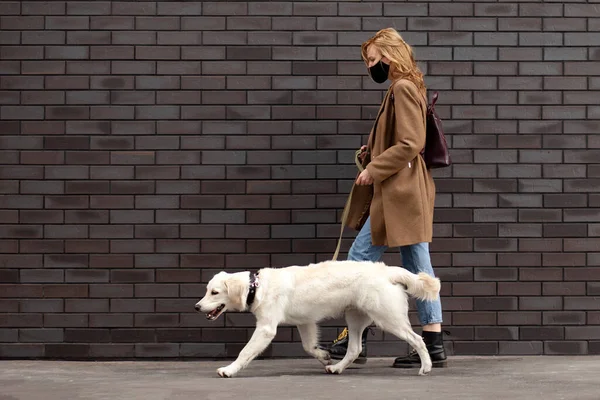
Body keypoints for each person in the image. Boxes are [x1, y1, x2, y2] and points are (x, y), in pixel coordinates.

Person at [321, 28, 448, 369]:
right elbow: (402, 141)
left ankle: (353, 342)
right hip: (404, 192)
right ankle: (432, 343)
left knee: (358, 259)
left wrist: (375, 169)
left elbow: (410, 142)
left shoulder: (403, 88)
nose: (370, 67)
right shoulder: (404, 87)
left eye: (373, 60)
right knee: (418, 265)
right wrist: (372, 151)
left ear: (389, 57)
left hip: (400, 192)